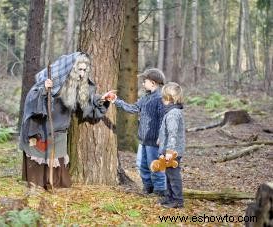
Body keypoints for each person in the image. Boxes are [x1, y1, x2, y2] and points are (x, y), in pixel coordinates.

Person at [19, 52, 110, 189]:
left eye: (84, 70)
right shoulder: (53, 79)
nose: (81, 73)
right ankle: (36, 184)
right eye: (79, 69)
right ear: (71, 69)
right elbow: (32, 97)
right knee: (39, 164)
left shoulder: (77, 84)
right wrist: (44, 89)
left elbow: (85, 101)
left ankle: (53, 184)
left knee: (58, 167)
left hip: (59, 130)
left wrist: (102, 99)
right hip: (41, 128)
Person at [104, 68, 166, 196]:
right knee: (142, 165)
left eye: (145, 81)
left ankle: (160, 191)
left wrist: (161, 137)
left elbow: (162, 120)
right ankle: (148, 188)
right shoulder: (146, 98)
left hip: (154, 141)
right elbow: (133, 108)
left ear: (153, 83)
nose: (143, 84)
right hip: (143, 140)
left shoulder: (160, 99)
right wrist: (116, 100)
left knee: (155, 166)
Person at [157, 82, 185, 208]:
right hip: (169, 148)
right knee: (168, 174)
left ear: (169, 99)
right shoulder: (171, 112)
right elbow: (167, 131)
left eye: (163, 98)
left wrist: (169, 152)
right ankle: (169, 197)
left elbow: (173, 133)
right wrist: (160, 139)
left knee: (173, 175)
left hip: (173, 151)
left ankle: (178, 200)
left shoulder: (173, 113)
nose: (162, 100)